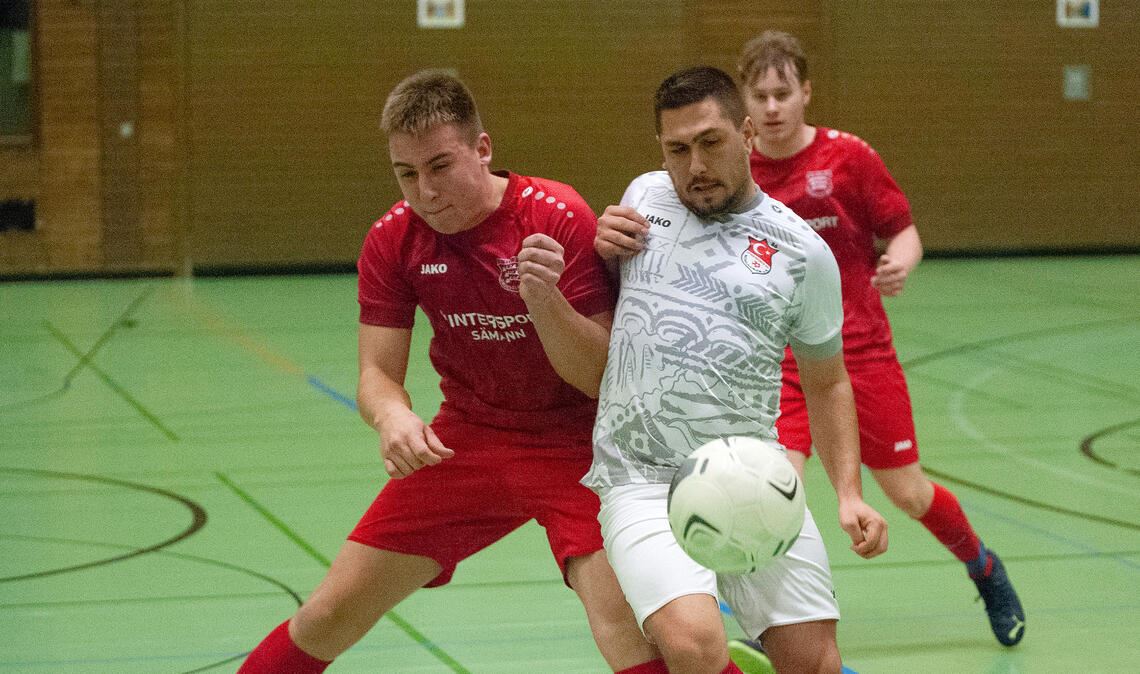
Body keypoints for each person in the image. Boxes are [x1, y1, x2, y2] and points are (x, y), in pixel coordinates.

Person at [598, 30, 1026, 655]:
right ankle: (723, 620)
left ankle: (983, 566)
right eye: (761, 95)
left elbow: (902, 231)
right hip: (772, 364)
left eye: (782, 94)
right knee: (754, 482)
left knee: (905, 490)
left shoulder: (845, 160)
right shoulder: (679, 185)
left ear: (803, 95)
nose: (772, 108)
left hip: (857, 347)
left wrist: (899, 262)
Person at [238, 70, 664, 673]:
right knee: (326, 615)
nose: (425, 192)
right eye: (406, 174)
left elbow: (601, 378)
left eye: (440, 166)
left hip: (582, 444)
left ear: (482, 149)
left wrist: (544, 302)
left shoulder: (553, 214)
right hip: (469, 440)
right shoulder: (394, 238)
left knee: (622, 627)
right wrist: (392, 417)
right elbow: (376, 374)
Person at [583, 65, 888, 674]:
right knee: (695, 642)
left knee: (815, 661)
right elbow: (608, 299)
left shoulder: (802, 252)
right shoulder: (644, 197)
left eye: (710, 142)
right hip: (641, 476)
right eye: (677, 148)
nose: (694, 165)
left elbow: (827, 383)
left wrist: (849, 492)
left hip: (750, 472)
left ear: (747, 134)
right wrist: (601, 249)